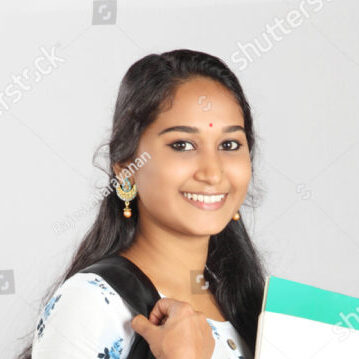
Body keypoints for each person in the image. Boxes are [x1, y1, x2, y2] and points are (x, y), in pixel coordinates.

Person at [17, 49, 266, 359]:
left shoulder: (252, 310)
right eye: (182, 145)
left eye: (230, 145)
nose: (213, 172)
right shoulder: (93, 303)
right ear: (126, 168)